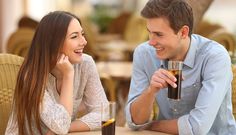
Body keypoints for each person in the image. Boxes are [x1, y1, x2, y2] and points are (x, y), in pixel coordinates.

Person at [125, 0, 236, 135]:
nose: (151, 42)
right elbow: (135, 122)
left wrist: (151, 125)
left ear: (183, 32)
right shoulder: (144, 54)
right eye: (150, 32)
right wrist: (151, 91)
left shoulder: (214, 57)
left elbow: (196, 128)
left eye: (159, 34)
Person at [5, 11, 108, 135]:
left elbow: (104, 113)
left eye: (82, 34)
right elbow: (60, 126)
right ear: (54, 42)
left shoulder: (85, 63)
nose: (84, 41)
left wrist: (66, 128)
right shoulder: (31, 74)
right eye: (74, 36)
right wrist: (68, 75)